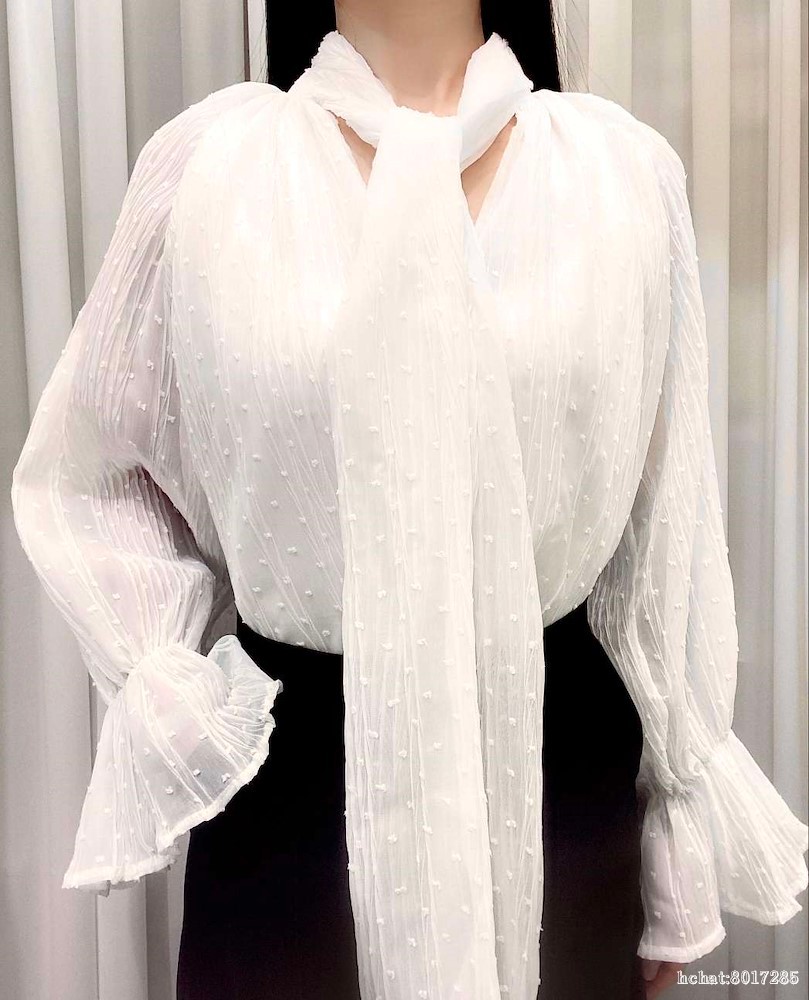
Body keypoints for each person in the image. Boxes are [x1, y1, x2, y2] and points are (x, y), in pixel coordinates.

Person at [10, 1, 808, 999]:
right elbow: (89, 471)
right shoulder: (211, 172)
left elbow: (663, 531)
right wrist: (166, 682)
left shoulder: (620, 176)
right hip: (296, 801)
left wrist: (672, 831)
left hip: (559, 790)